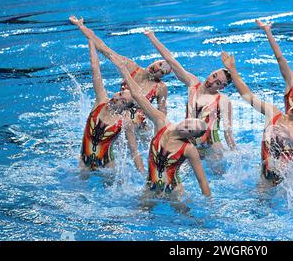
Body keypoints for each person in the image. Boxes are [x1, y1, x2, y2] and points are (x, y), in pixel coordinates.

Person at [115, 53, 211, 197]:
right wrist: (124, 70)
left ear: (190, 137)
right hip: (150, 188)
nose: (185, 127)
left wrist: (209, 205)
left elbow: (202, 180)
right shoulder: (161, 122)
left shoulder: (189, 149)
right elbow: (136, 95)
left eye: (189, 130)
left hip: (174, 192)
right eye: (188, 123)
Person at [221, 51, 293, 185]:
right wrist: (232, 70)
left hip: (283, 186)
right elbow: (247, 95)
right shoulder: (273, 113)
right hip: (263, 175)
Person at [143, 30, 236, 160]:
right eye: (214, 75)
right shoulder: (193, 84)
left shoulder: (223, 100)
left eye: (217, 82)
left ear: (222, 87)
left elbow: (228, 133)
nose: (211, 81)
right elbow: (171, 61)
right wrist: (152, 37)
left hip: (211, 148)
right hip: (189, 141)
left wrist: (236, 154)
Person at [69, 16, 171, 129]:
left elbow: (162, 116)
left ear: (162, 77)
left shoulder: (160, 88)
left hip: (139, 126)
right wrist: (80, 26)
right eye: (160, 64)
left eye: (162, 72)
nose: (157, 69)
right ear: (155, 60)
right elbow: (104, 49)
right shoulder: (131, 67)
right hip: (117, 118)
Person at [79, 39, 144, 173]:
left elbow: (134, 152)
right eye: (120, 93)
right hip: (83, 162)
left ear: (126, 107)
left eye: (123, 101)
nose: (116, 98)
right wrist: (91, 40)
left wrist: (143, 174)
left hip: (107, 166)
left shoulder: (125, 122)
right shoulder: (100, 100)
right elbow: (95, 67)